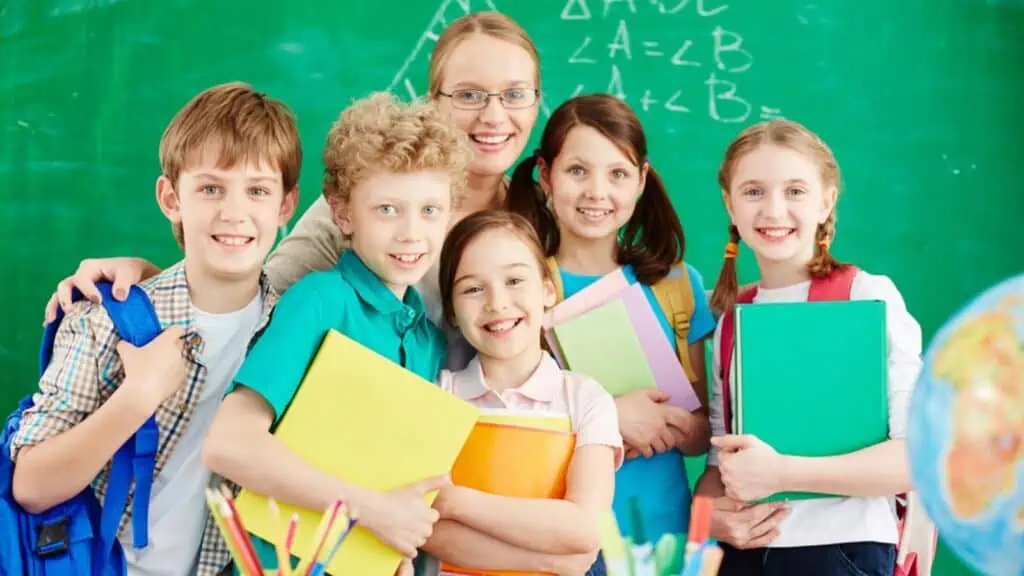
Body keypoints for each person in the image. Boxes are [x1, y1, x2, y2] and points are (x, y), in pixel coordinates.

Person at [42, 11, 542, 363]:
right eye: (470, 95)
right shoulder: (365, 202)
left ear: (536, 101)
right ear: (434, 102)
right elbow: (255, 302)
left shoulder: (539, 215)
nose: (494, 115)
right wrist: (146, 281)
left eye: (515, 95)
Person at [10, 82, 301, 576]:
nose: (234, 212)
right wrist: (137, 396)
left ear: (285, 207)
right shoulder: (105, 320)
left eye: (257, 190)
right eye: (210, 188)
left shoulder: (293, 332)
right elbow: (32, 487)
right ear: (171, 198)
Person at [199, 92, 470, 574]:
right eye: (387, 209)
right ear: (343, 214)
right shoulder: (321, 301)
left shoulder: (426, 339)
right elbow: (230, 444)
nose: (411, 233)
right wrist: (372, 512)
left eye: (430, 210)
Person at [696, 119, 922, 575]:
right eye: (754, 191)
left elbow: (915, 458)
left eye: (795, 191)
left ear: (827, 201)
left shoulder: (866, 297)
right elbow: (719, 467)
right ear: (729, 204)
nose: (774, 210)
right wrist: (704, 521)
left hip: (845, 551)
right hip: (744, 556)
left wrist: (783, 475)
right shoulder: (732, 321)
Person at [506, 94, 716, 553]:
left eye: (618, 173)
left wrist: (668, 423)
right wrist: (612, 417)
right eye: (577, 171)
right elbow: (508, 421)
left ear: (641, 180)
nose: (597, 192)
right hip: (559, 539)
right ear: (545, 175)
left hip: (663, 537)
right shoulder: (520, 287)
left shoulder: (677, 285)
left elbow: (704, 433)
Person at [426, 209, 621, 576]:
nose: (496, 303)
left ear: (548, 289)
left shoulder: (586, 399)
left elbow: (584, 528)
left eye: (514, 280)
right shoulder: (440, 395)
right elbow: (430, 533)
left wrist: (456, 501)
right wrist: (547, 559)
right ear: (451, 310)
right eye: (472, 288)